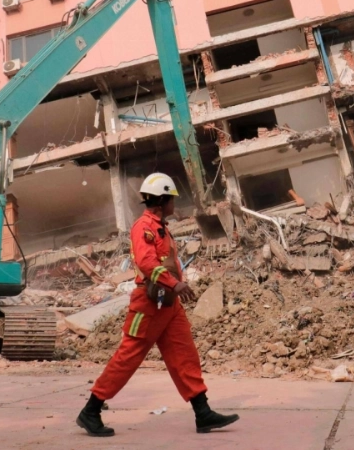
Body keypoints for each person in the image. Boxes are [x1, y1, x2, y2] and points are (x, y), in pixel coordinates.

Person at [76, 173, 240, 437]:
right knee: (128, 357)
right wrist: (174, 283)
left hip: (168, 304)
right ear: (162, 200)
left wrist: (174, 288)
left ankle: (203, 413)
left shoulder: (161, 226)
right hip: (149, 304)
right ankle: (91, 410)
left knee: (184, 356)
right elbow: (147, 263)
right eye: (171, 198)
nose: (174, 203)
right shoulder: (143, 227)